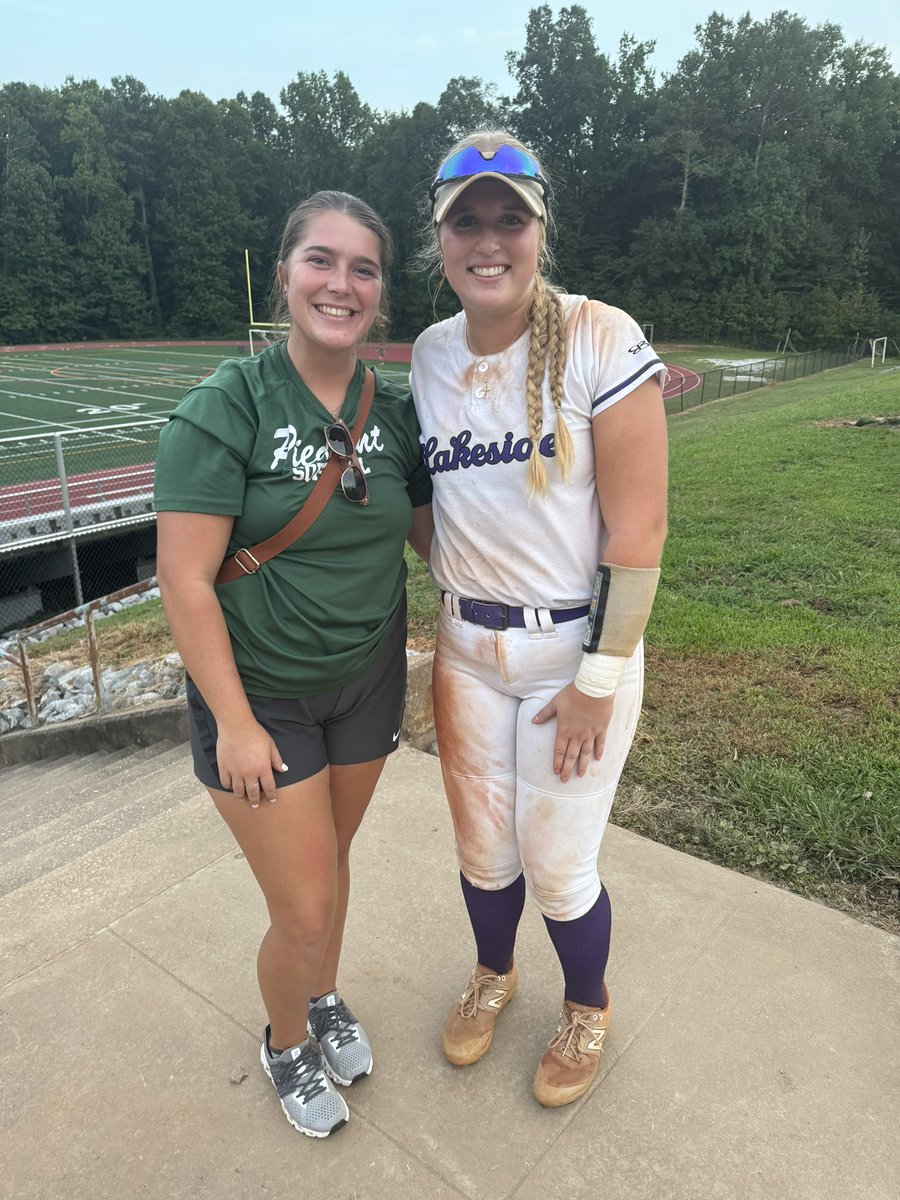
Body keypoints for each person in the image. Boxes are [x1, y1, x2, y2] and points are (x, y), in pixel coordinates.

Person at [154, 191, 433, 1138]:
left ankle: (322, 999)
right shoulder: (223, 408)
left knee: (332, 869)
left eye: (363, 268)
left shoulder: (393, 414)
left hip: (366, 682)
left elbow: (443, 541)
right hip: (260, 697)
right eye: (322, 260)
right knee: (304, 905)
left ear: (381, 294)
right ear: (285, 275)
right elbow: (185, 579)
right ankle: (284, 1040)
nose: (341, 284)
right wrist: (232, 721)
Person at [410, 133, 668, 1108]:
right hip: (469, 651)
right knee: (484, 850)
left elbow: (639, 528)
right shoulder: (432, 355)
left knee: (559, 866)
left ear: (538, 228)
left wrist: (601, 678)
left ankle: (587, 1003)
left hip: (575, 650)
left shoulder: (600, 335)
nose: (488, 240)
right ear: (439, 238)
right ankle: (493, 973)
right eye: (465, 221)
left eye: (507, 218)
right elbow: (427, 503)